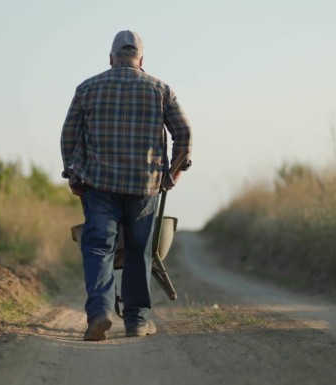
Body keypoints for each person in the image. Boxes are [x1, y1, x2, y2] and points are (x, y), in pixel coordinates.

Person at [60, 30, 192, 341]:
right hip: (144, 187)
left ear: (111, 58)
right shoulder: (160, 89)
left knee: (98, 248)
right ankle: (136, 322)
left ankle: (101, 312)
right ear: (141, 60)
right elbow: (184, 135)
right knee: (138, 252)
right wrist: (173, 174)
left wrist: (73, 174)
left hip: (98, 184)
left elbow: (69, 135)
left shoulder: (87, 88)